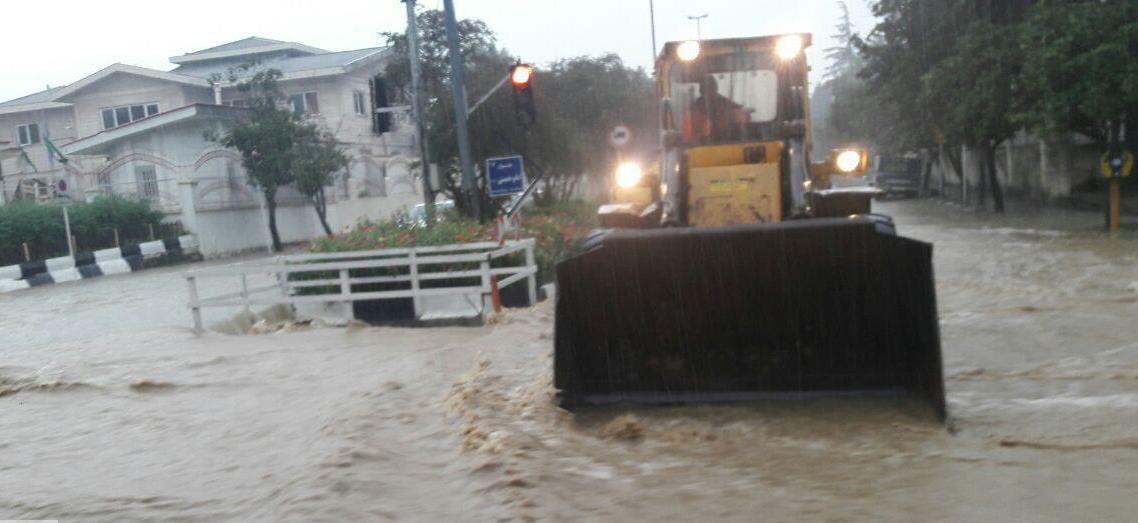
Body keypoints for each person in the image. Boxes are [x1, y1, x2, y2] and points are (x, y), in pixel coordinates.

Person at [683, 75, 748, 142]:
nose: (709, 91)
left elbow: (741, 121)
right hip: (701, 147)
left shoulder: (728, 104)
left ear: (716, 88)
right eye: (705, 88)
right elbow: (688, 135)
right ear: (701, 90)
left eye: (711, 87)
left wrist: (744, 112)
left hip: (727, 143)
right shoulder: (693, 109)